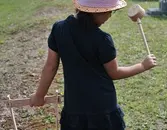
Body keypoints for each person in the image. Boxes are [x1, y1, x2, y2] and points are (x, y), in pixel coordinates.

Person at [30, 0, 157, 129]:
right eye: (109, 12)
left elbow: (50, 66)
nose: (110, 16)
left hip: (74, 107)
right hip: (102, 109)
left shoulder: (59, 29)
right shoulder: (103, 39)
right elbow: (114, 72)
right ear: (98, 12)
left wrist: (39, 96)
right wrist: (143, 66)